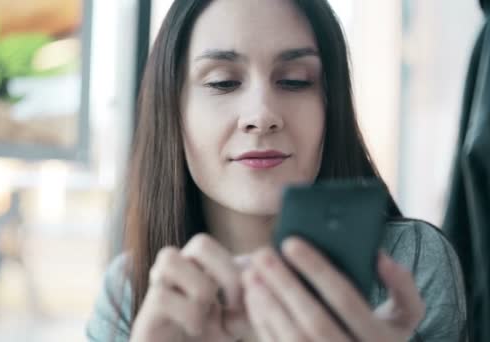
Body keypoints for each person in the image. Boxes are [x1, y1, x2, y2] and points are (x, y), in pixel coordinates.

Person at [86, 0, 467, 341]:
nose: (262, 115)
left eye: (294, 81)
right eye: (223, 82)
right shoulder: (130, 292)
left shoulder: (410, 262)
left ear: (330, 106)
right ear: (173, 111)